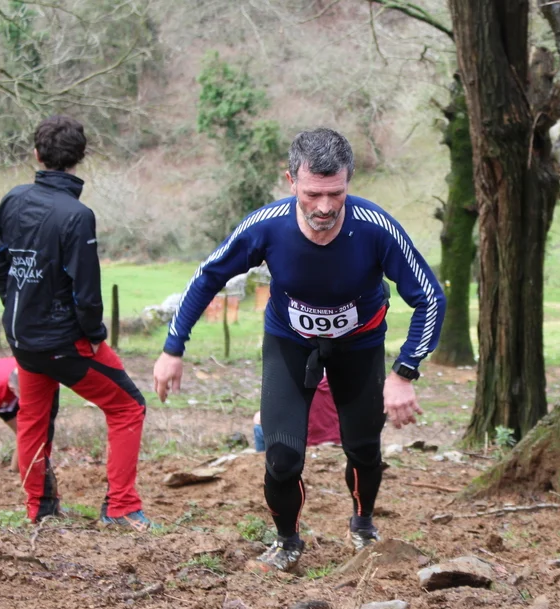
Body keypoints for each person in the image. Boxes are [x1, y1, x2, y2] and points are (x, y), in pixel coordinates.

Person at [153, 128, 445, 570]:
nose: (325, 207)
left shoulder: (375, 228)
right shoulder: (266, 226)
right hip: (289, 343)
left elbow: (430, 297)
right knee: (282, 456)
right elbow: (208, 276)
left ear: (349, 181)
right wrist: (173, 348)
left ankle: (363, 525)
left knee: (364, 448)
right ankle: (287, 542)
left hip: (360, 345)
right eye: (312, 194)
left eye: (336, 193)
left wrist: (404, 372)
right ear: (291, 181)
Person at [0, 116, 149, 527]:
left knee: (33, 418)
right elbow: (86, 291)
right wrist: (94, 334)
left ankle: (39, 509)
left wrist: (18, 305)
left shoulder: (12, 199)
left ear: (36, 154)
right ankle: (121, 506)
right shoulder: (77, 215)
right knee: (129, 406)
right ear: (80, 157)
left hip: (23, 338)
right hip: (64, 342)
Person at [253, 377, 341, 451]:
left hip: (305, 441)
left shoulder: (291, 384)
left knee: (258, 428)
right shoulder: (333, 382)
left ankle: (261, 460)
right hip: (336, 438)